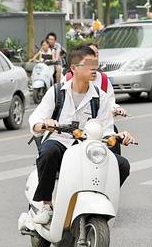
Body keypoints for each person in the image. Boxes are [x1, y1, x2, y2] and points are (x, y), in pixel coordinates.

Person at [28, 46, 136, 224]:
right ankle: (46, 205)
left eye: (95, 64)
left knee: (122, 165)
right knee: (48, 152)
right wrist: (45, 124)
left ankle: (102, 201)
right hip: (61, 142)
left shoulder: (101, 97)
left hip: (87, 148)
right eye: (88, 65)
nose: (94, 69)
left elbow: (107, 130)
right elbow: (35, 120)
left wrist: (119, 137)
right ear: (73, 68)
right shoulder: (56, 92)